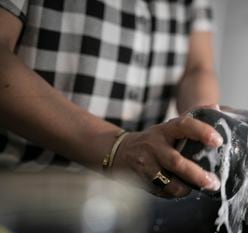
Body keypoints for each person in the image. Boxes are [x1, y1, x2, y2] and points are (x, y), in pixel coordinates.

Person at [0, 0, 226, 198]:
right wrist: (118, 147)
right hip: (19, 194)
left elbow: (197, 68)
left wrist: (203, 127)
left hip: (128, 200)